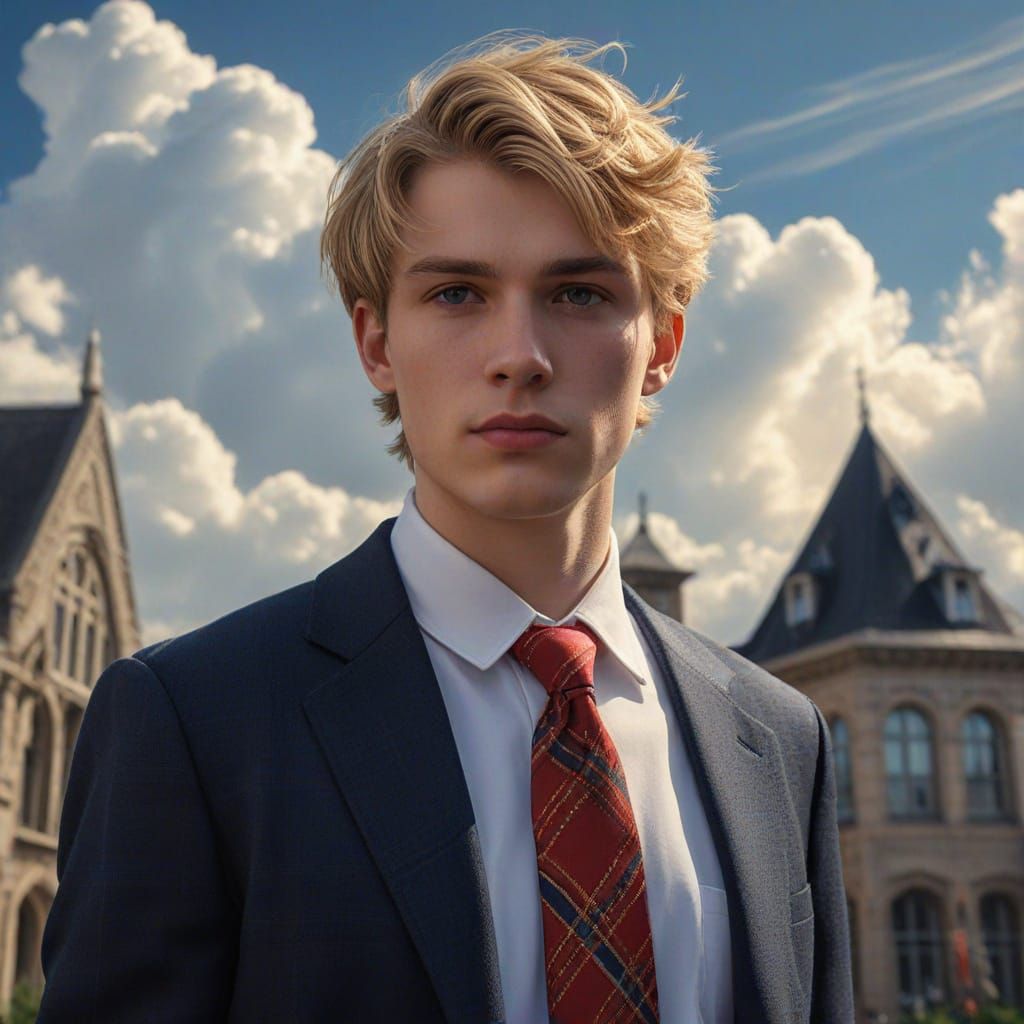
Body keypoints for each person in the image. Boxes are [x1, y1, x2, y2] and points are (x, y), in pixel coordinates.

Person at [38, 32, 854, 1024]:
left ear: (662, 346)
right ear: (376, 342)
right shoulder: (193, 722)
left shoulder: (780, 739)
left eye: (579, 293)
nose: (519, 354)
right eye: (457, 293)